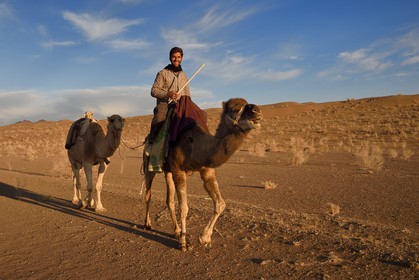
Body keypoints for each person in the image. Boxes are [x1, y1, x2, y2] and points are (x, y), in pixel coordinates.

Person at [146, 47, 191, 144]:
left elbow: (187, 93)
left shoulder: (184, 75)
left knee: (197, 116)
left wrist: (189, 103)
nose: (176, 59)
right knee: (160, 117)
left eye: (178, 57)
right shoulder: (162, 73)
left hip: (181, 104)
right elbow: (153, 91)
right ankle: (151, 141)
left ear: (181, 58)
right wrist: (167, 94)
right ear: (170, 58)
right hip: (165, 103)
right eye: (174, 57)